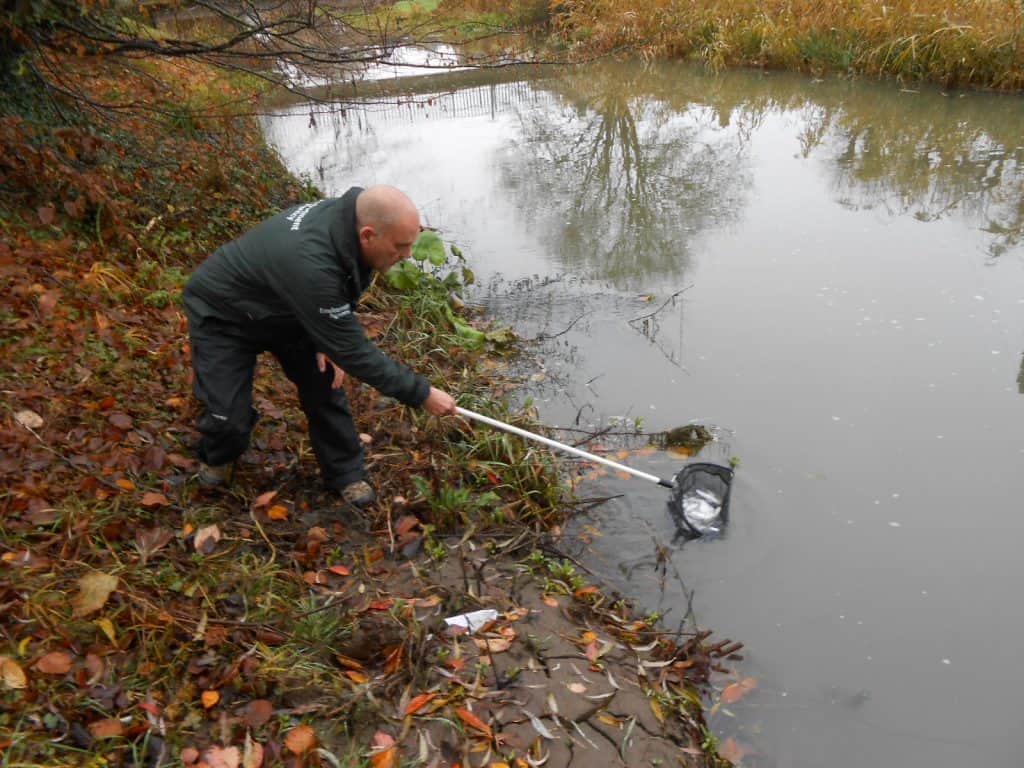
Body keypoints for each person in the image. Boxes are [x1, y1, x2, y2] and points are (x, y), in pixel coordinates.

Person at [181, 185, 457, 507]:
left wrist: (326, 335)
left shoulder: (347, 224)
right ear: (368, 235)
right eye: (400, 246)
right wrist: (422, 393)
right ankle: (218, 455)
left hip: (288, 306)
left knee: (325, 382)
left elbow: (341, 290)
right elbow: (355, 352)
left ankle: (345, 472)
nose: (407, 255)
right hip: (224, 313)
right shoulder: (313, 262)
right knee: (228, 420)